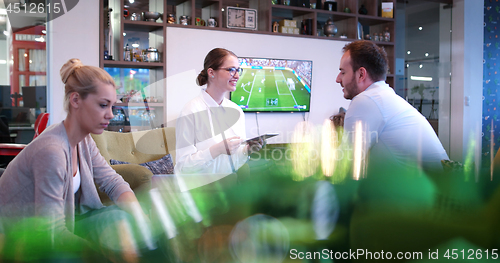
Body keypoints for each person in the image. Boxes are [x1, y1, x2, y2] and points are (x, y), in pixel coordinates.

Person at [0, 58, 152, 261]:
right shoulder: (51, 151)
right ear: (75, 100)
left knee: (121, 218)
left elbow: (112, 182)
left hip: (66, 223)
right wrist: (101, 254)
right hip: (23, 239)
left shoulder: (84, 141)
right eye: (103, 105)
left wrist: (143, 220)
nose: (110, 115)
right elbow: (51, 233)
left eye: (112, 106)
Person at [334, 40, 448, 172]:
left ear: (361, 74)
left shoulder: (366, 100)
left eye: (343, 72)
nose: (338, 79)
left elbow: (342, 168)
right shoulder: (383, 97)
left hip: (428, 189)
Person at [175, 48, 263, 176]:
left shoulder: (237, 111)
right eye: (231, 70)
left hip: (229, 185)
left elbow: (234, 163)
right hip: (200, 189)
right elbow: (183, 166)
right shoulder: (190, 111)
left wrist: (247, 150)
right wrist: (216, 150)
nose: (237, 76)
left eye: (238, 70)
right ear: (211, 72)